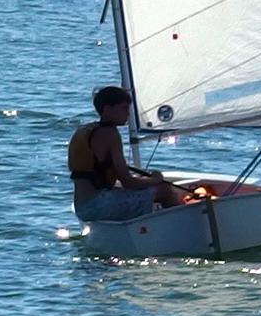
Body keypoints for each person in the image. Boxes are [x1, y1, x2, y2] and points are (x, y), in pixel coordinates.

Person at [68, 86, 179, 221]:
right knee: (165, 190)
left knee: (133, 191)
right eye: (124, 108)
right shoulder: (110, 134)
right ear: (107, 109)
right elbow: (128, 182)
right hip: (98, 206)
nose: (128, 113)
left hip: (82, 207)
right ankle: (182, 228)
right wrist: (156, 179)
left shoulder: (85, 130)